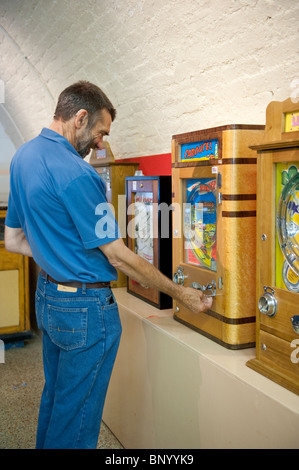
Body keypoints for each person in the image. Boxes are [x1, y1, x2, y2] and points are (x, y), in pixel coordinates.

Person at [4, 81, 213, 449]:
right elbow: (117, 255)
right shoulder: (79, 174)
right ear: (80, 117)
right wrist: (183, 294)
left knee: (57, 401)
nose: (101, 144)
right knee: (79, 419)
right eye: (101, 133)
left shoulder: (22, 157)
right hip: (85, 310)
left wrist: (58, 257)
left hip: (48, 298)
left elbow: (15, 241)